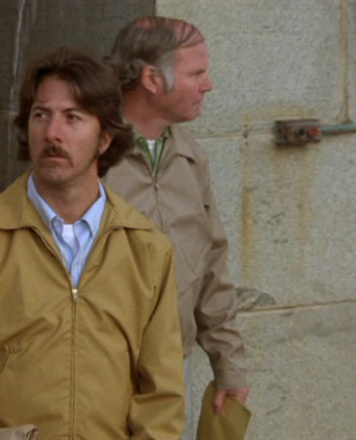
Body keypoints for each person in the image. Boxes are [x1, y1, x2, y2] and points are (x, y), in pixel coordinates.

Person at [0, 47, 186, 439]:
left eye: (72, 117)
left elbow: (162, 395)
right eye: (41, 115)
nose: (52, 133)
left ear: (104, 138)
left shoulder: (147, 249)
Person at [103, 15, 250, 427]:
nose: (209, 85)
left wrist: (229, 365)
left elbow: (211, 260)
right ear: (152, 79)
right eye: (197, 74)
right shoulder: (91, 154)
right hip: (97, 365)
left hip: (172, 364)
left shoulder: (189, 154)